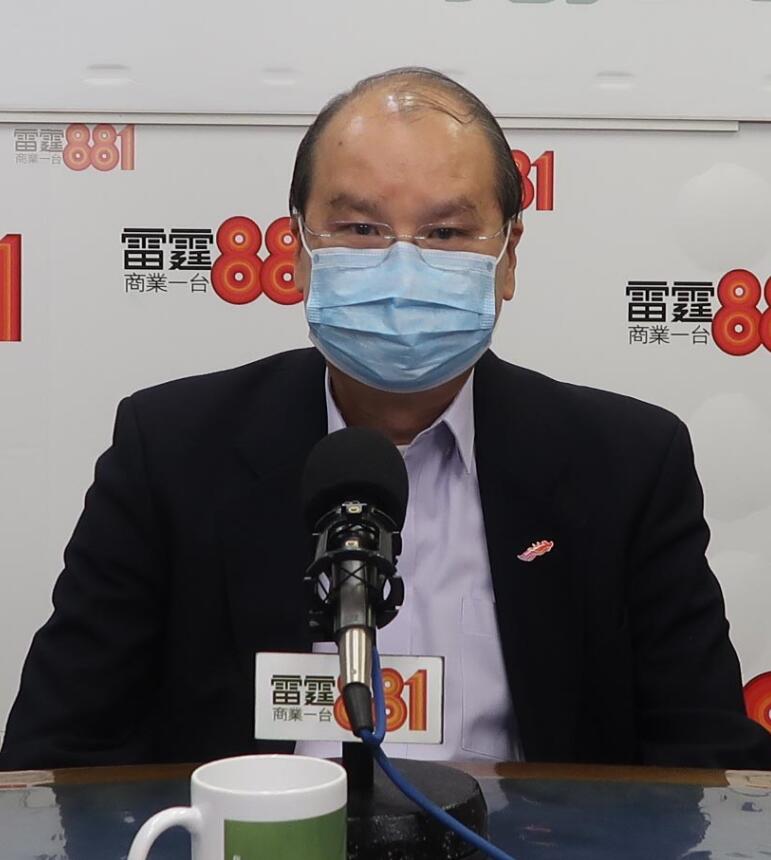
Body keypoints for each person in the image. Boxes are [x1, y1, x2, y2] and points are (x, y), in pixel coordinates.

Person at [1, 68, 770, 771]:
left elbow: (705, 770)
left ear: (507, 257)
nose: (403, 268)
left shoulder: (626, 466)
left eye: (445, 233)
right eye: (361, 230)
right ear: (298, 249)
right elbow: (53, 759)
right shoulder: (172, 451)